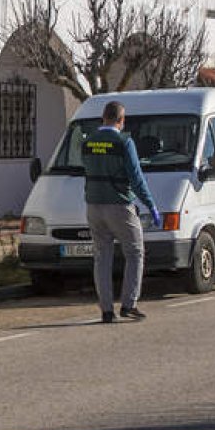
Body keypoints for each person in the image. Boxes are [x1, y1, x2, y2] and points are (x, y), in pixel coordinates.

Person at [82, 101, 160, 323]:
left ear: (102, 117)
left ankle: (106, 310)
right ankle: (129, 304)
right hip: (119, 205)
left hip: (93, 206)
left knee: (102, 257)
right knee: (135, 252)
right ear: (121, 120)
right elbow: (136, 178)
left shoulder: (88, 142)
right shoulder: (124, 142)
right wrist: (151, 205)